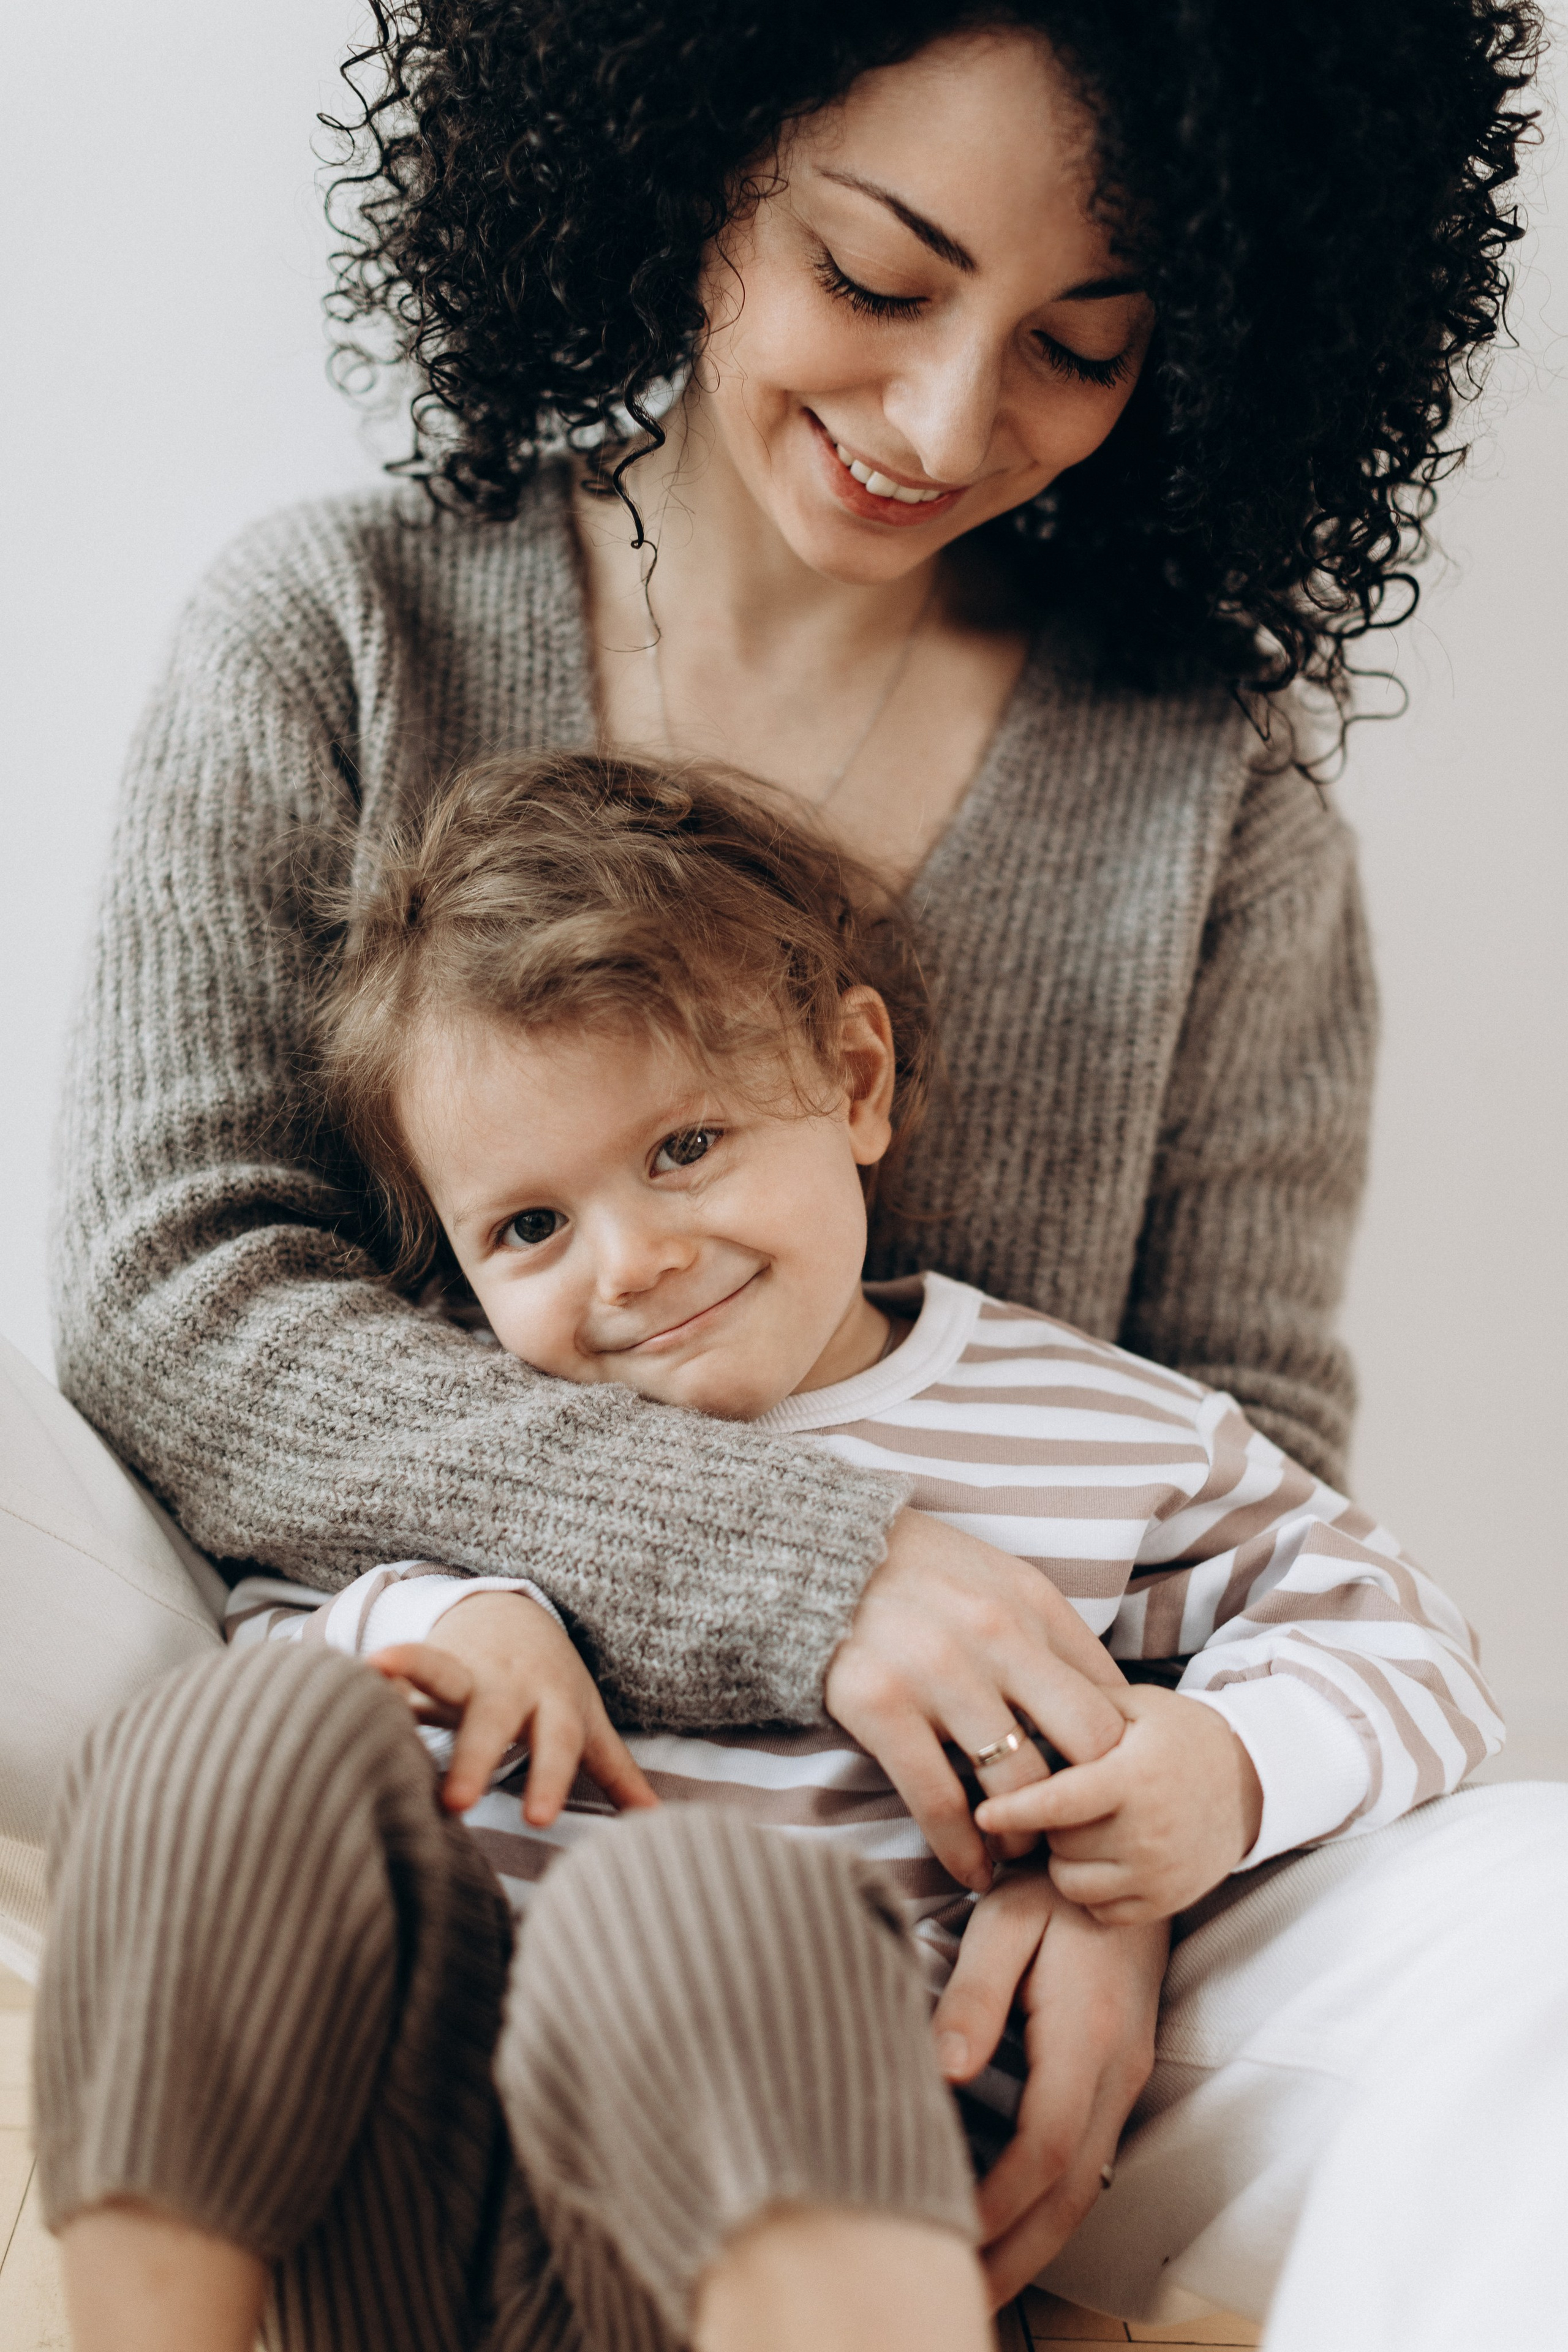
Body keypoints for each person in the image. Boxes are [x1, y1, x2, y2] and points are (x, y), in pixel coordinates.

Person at [10, 1, 1557, 2343]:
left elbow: (1240, 1458)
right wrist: (813, 1565)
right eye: (876, 275)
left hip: (923, 1921)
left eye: (1078, 345)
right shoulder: (340, 627)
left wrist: (1124, 1859)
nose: (947, 422)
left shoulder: (1209, 805)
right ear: (694, 161)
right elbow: (178, 1296)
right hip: (417, 1793)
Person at [37, 753, 1562, 2352]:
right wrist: (443, 1609)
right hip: (413, 2204)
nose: (633, 1262)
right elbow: (276, 1625)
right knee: (217, 1731)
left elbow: (1401, 1636)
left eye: (685, 1147)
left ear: (853, 1080)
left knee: (705, 1902)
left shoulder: (1102, 1432)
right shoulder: (460, 1427)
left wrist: (1224, 1764)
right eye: (529, 1229)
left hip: (791, 2198)